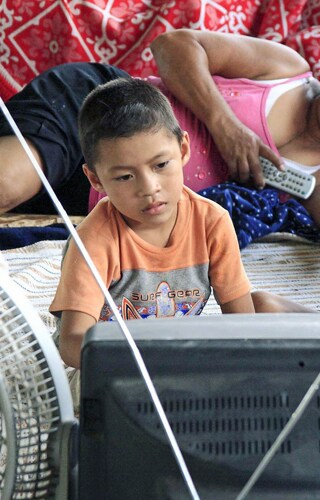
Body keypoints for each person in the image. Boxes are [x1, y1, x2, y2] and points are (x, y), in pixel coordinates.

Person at [0, 30, 320, 240]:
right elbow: (174, 45)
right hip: (100, 109)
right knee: (7, 184)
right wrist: (226, 126)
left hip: (96, 196)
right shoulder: (287, 71)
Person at [49, 78, 255, 370]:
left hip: (177, 362)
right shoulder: (94, 240)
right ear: (95, 180)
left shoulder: (213, 222)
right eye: (124, 177)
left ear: (183, 149)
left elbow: (244, 324)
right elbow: (72, 343)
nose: (149, 188)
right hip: (105, 369)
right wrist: (149, 364)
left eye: (160, 165)